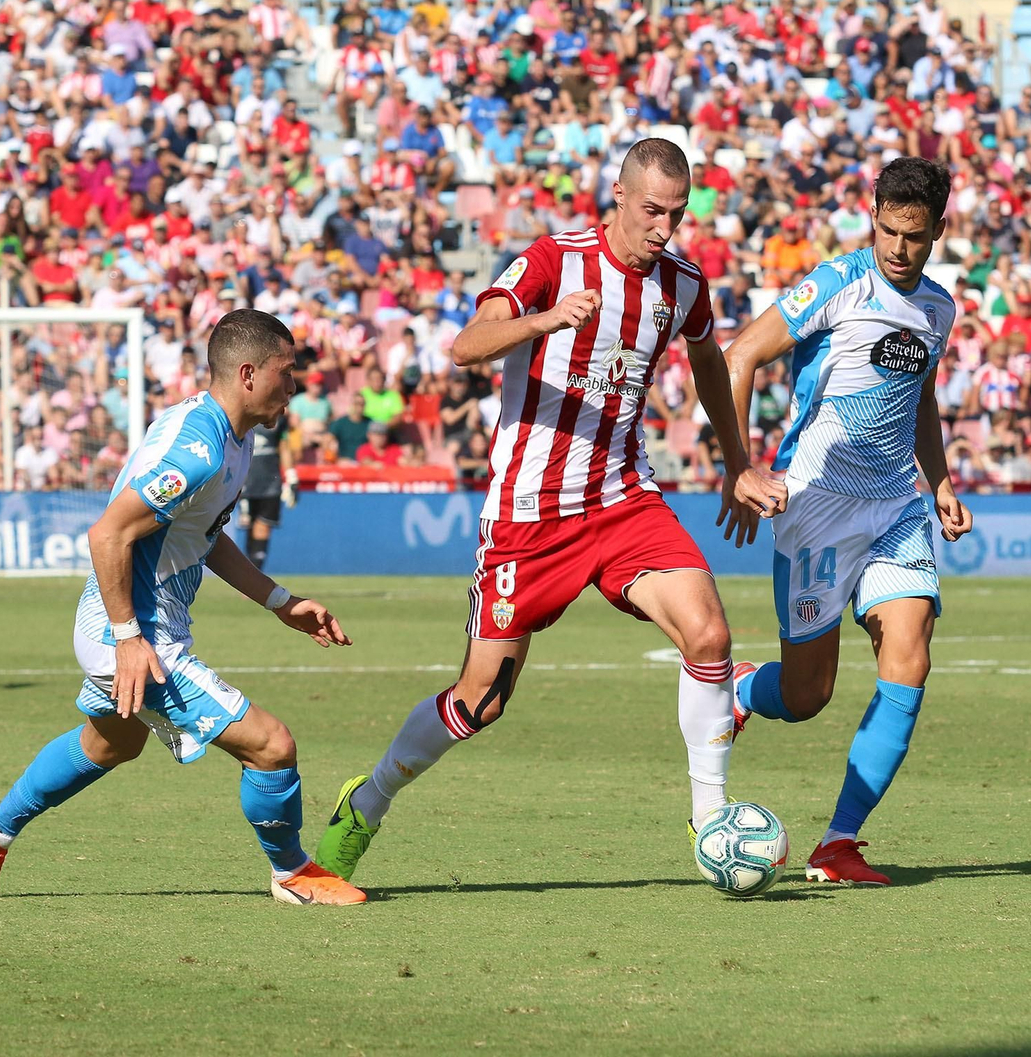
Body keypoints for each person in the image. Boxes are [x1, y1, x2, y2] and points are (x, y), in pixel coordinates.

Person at [314, 139, 784, 880]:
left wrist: (737, 463)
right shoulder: (552, 261)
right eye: (652, 211)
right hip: (530, 515)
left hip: (624, 499)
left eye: (677, 214)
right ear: (619, 197)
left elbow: (706, 363)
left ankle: (709, 820)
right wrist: (544, 322)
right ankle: (367, 801)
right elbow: (467, 345)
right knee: (479, 703)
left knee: (709, 633)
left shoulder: (683, 285)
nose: (664, 228)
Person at [0, 311, 365, 906]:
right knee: (271, 746)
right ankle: (292, 873)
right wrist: (128, 639)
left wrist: (280, 601)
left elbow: (203, 535)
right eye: (287, 371)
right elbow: (107, 535)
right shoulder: (196, 450)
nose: (294, 386)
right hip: (133, 634)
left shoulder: (234, 437)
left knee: (112, 744)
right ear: (249, 374)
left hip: (138, 627)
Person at [720, 158, 973, 886]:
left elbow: (920, 396)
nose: (899, 248)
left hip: (896, 503)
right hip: (816, 506)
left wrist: (941, 480)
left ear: (938, 231)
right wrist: (741, 467)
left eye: (914, 236)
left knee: (911, 651)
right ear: (874, 219)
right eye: (889, 231)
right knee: (807, 697)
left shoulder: (939, 309)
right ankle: (743, 689)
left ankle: (838, 843)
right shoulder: (836, 284)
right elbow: (740, 355)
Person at [241, 414, 292, 571]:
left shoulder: (279, 418)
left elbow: (284, 446)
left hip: (270, 482)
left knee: (263, 526)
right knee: (249, 526)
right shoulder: (243, 415)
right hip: (245, 482)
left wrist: (291, 475)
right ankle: (249, 572)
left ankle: (255, 572)